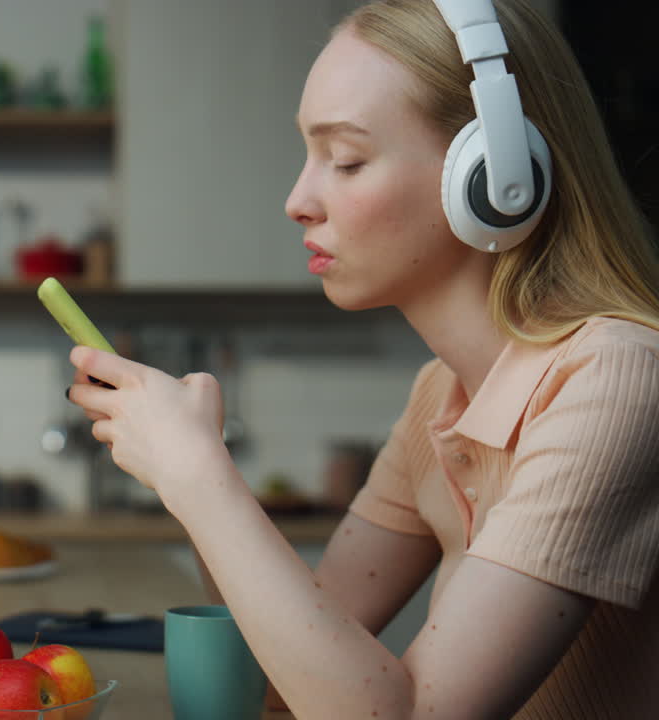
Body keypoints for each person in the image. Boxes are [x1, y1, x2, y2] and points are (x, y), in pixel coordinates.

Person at [65, 0, 659, 717]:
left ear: (497, 179)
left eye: (345, 160)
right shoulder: (440, 393)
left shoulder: (619, 378)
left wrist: (198, 478)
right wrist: (188, 468)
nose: (297, 201)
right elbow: (279, 678)